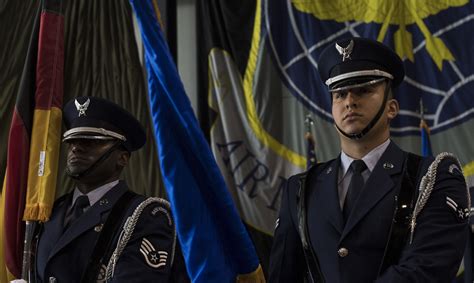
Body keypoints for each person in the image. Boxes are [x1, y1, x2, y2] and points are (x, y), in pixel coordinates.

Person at [269, 37, 470, 282]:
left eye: (364, 90)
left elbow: (426, 270)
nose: (349, 101)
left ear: (391, 108)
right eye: (339, 94)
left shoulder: (432, 178)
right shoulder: (300, 189)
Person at [35, 96, 189, 282]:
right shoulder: (51, 210)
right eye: (72, 142)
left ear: (122, 158)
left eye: (90, 142)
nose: (76, 148)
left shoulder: (146, 216)